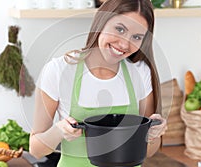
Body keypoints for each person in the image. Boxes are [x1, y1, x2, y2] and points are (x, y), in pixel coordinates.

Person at [29, 0, 167, 166]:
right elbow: (35, 149)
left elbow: (149, 151)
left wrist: (153, 134)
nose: (124, 44)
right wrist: (58, 132)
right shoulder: (59, 71)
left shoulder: (140, 72)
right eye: (120, 29)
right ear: (101, 21)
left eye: (136, 37)